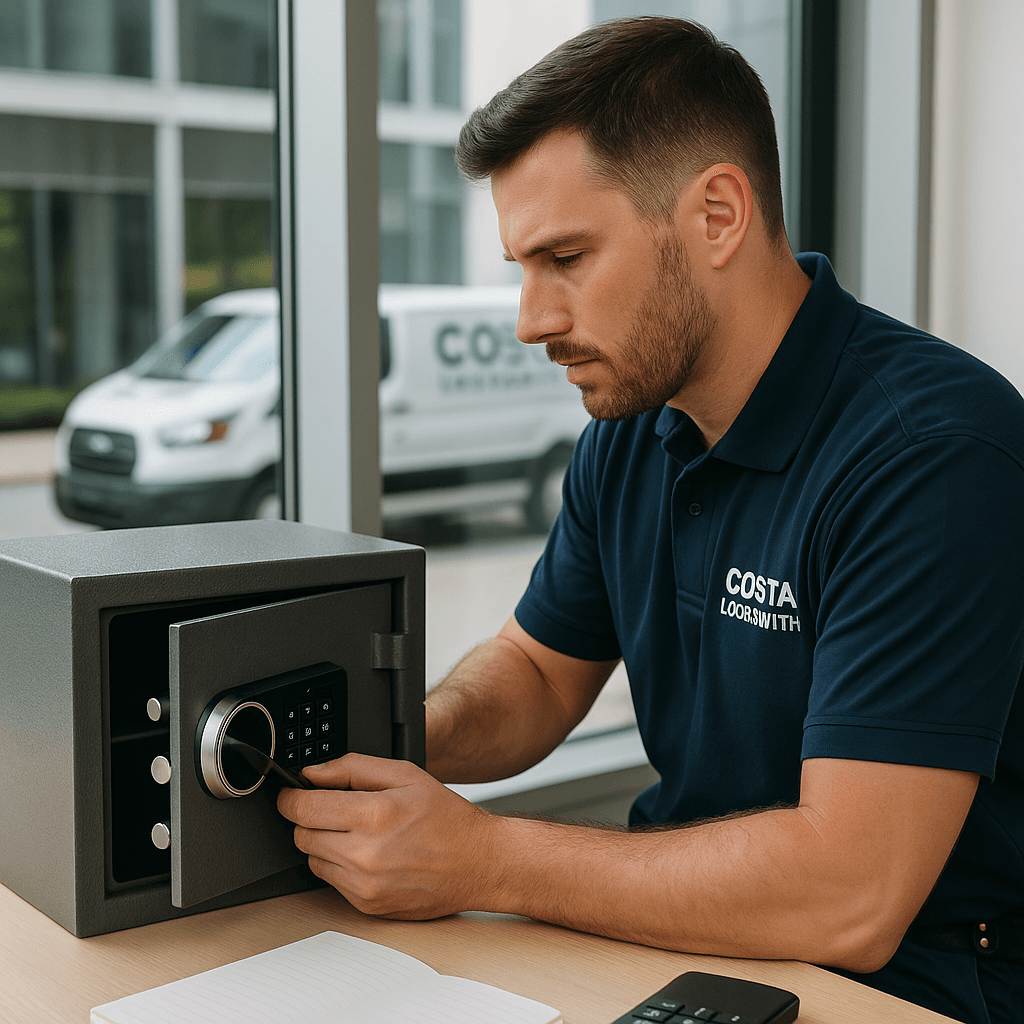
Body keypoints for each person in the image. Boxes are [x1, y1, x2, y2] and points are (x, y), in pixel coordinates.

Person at [278, 17, 1024, 1024]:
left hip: (905, 985)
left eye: (567, 257)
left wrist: (483, 856)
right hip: (677, 948)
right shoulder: (633, 426)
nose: (529, 319)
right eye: (521, 266)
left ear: (717, 214)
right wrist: (406, 739)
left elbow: (851, 893)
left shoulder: (933, 454)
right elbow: (540, 672)